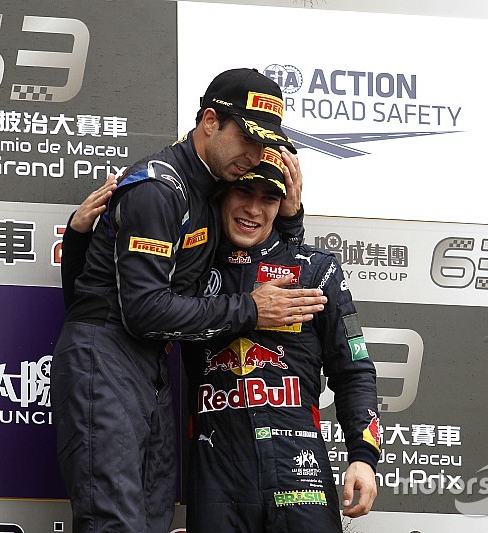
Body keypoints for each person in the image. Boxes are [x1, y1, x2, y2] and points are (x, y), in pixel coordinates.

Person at [52, 68, 328, 533]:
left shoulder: (209, 192)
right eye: (247, 138)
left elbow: (244, 263)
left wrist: (291, 221)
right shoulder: (161, 189)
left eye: (266, 146)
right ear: (209, 122)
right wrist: (251, 309)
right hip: (109, 359)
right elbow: (142, 311)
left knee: (152, 519)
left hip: (148, 369)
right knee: (113, 523)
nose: (255, 156)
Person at [182, 147, 381, 532]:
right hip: (216, 478)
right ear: (221, 193)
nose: (254, 209)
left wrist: (363, 455)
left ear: (285, 202)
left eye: (268, 198)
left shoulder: (316, 270)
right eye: (243, 192)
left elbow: (353, 370)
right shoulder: (188, 270)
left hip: (301, 475)